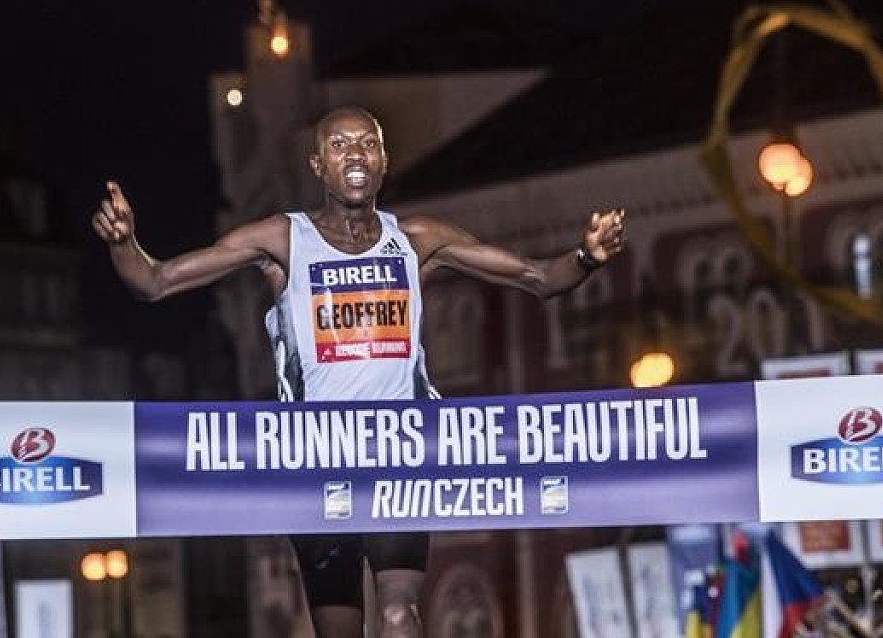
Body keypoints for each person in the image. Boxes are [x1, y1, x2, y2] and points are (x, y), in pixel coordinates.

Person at [92, 106, 627, 638]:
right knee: (340, 629)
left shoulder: (417, 240)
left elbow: (538, 277)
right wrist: (124, 246)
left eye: (368, 144)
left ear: (384, 161)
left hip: (398, 452)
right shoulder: (284, 241)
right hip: (315, 459)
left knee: (399, 614)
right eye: (340, 145)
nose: (355, 154)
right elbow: (156, 282)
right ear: (317, 165)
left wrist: (586, 256)